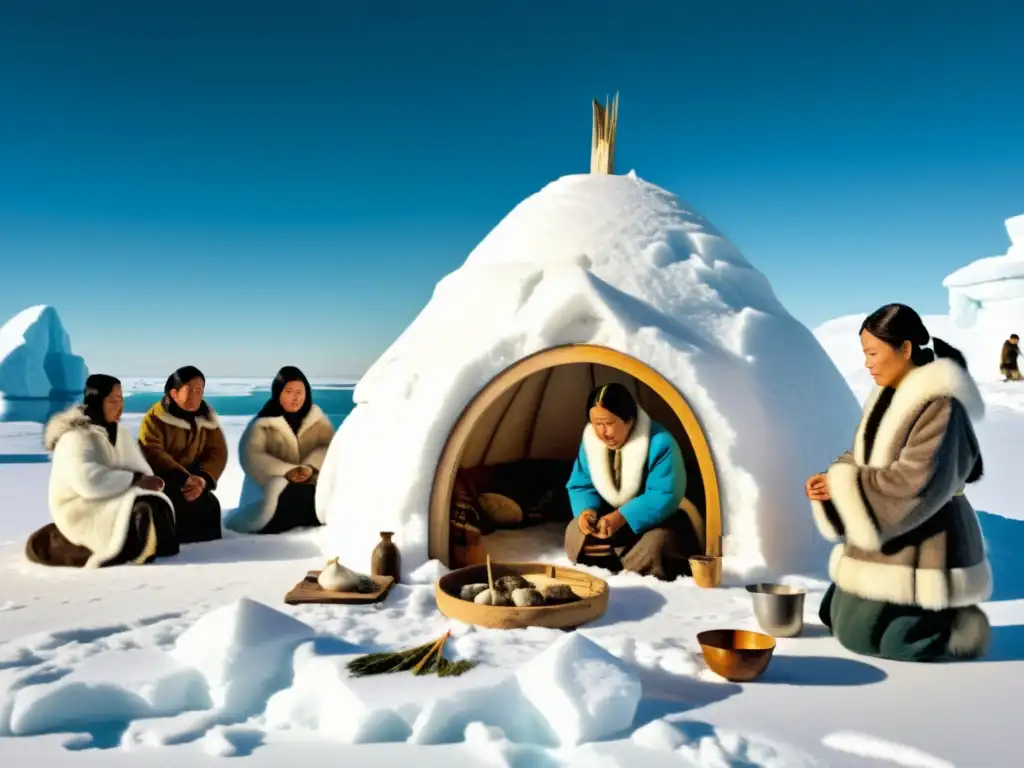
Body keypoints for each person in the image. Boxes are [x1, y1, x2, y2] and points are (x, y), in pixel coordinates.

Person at [805, 303, 993, 662]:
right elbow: (865, 456)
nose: (867, 363)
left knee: (888, 641)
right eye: (865, 354)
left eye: (873, 353)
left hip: (928, 538)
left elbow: (917, 482)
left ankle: (954, 621)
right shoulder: (886, 397)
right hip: (891, 531)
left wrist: (845, 485)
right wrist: (830, 480)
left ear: (905, 349)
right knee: (837, 621)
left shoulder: (941, 405)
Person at [25, 374, 178, 568]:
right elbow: (88, 481)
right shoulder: (75, 437)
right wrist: (135, 479)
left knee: (155, 504)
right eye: (113, 400)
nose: (120, 405)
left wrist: (148, 480)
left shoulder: (119, 433)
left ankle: (153, 546)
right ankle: (131, 551)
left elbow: (139, 468)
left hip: (112, 500)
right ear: (96, 401)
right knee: (140, 512)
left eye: (121, 399)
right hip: (81, 509)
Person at [564, 382, 699, 581]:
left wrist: (621, 517)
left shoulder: (660, 442)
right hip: (606, 520)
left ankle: (626, 562)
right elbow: (581, 484)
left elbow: (664, 494)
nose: (603, 433)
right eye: (597, 424)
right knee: (575, 531)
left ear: (629, 420)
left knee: (659, 544)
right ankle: (606, 557)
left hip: (652, 522)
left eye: (609, 423)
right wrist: (587, 513)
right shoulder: (591, 444)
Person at [225, 366, 335, 534]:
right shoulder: (263, 423)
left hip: (311, 482)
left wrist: (310, 467)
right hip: (270, 490)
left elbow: (329, 447)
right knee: (287, 498)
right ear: (278, 393)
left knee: (316, 496)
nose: (295, 398)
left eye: (300, 392)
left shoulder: (317, 419)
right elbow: (252, 457)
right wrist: (287, 471)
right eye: (289, 392)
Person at [138, 366, 227, 543]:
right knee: (172, 507)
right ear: (174, 393)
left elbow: (217, 451)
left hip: (196, 476)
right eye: (190, 390)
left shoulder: (207, 417)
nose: (195, 395)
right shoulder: (155, 418)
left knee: (209, 505)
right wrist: (183, 479)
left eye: (199, 390)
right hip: (166, 477)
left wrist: (202, 480)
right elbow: (153, 452)